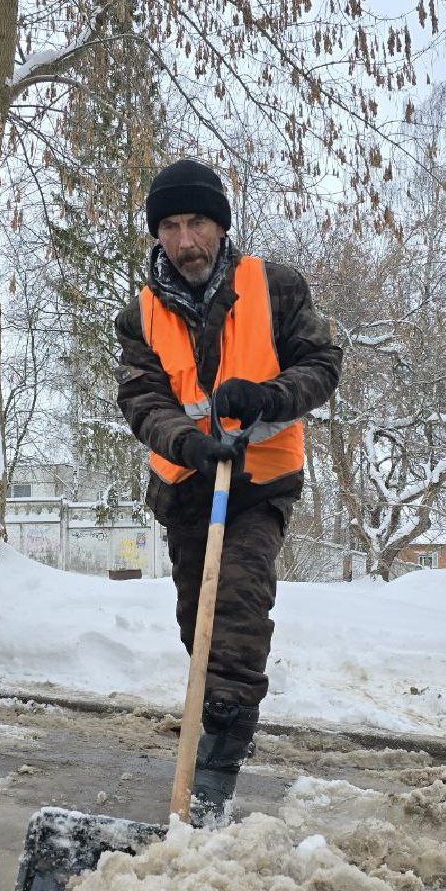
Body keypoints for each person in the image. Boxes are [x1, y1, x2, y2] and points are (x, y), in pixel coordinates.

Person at [114, 158, 342, 827]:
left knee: (239, 603)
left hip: (260, 479)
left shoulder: (274, 288)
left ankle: (211, 784)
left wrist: (269, 395)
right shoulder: (141, 317)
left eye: (199, 223)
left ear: (221, 225)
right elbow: (142, 399)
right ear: (159, 234)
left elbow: (322, 363)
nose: (186, 241)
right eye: (172, 226)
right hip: (188, 484)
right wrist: (187, 440)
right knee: (201, 623)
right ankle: (209, 734)